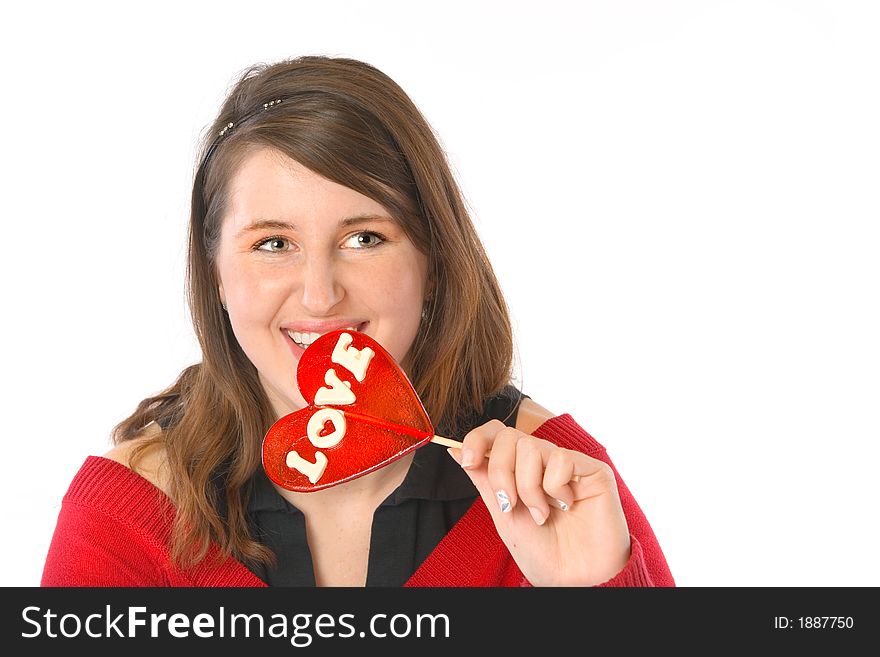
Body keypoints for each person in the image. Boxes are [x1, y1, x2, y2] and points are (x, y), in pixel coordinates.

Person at [41, 55, 674, 587]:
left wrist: (595, 598)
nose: (319, 296)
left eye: (365, 238)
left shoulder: (557, 480)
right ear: (215, 274)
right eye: (272, 243)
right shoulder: (128, 521)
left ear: (432, 260)